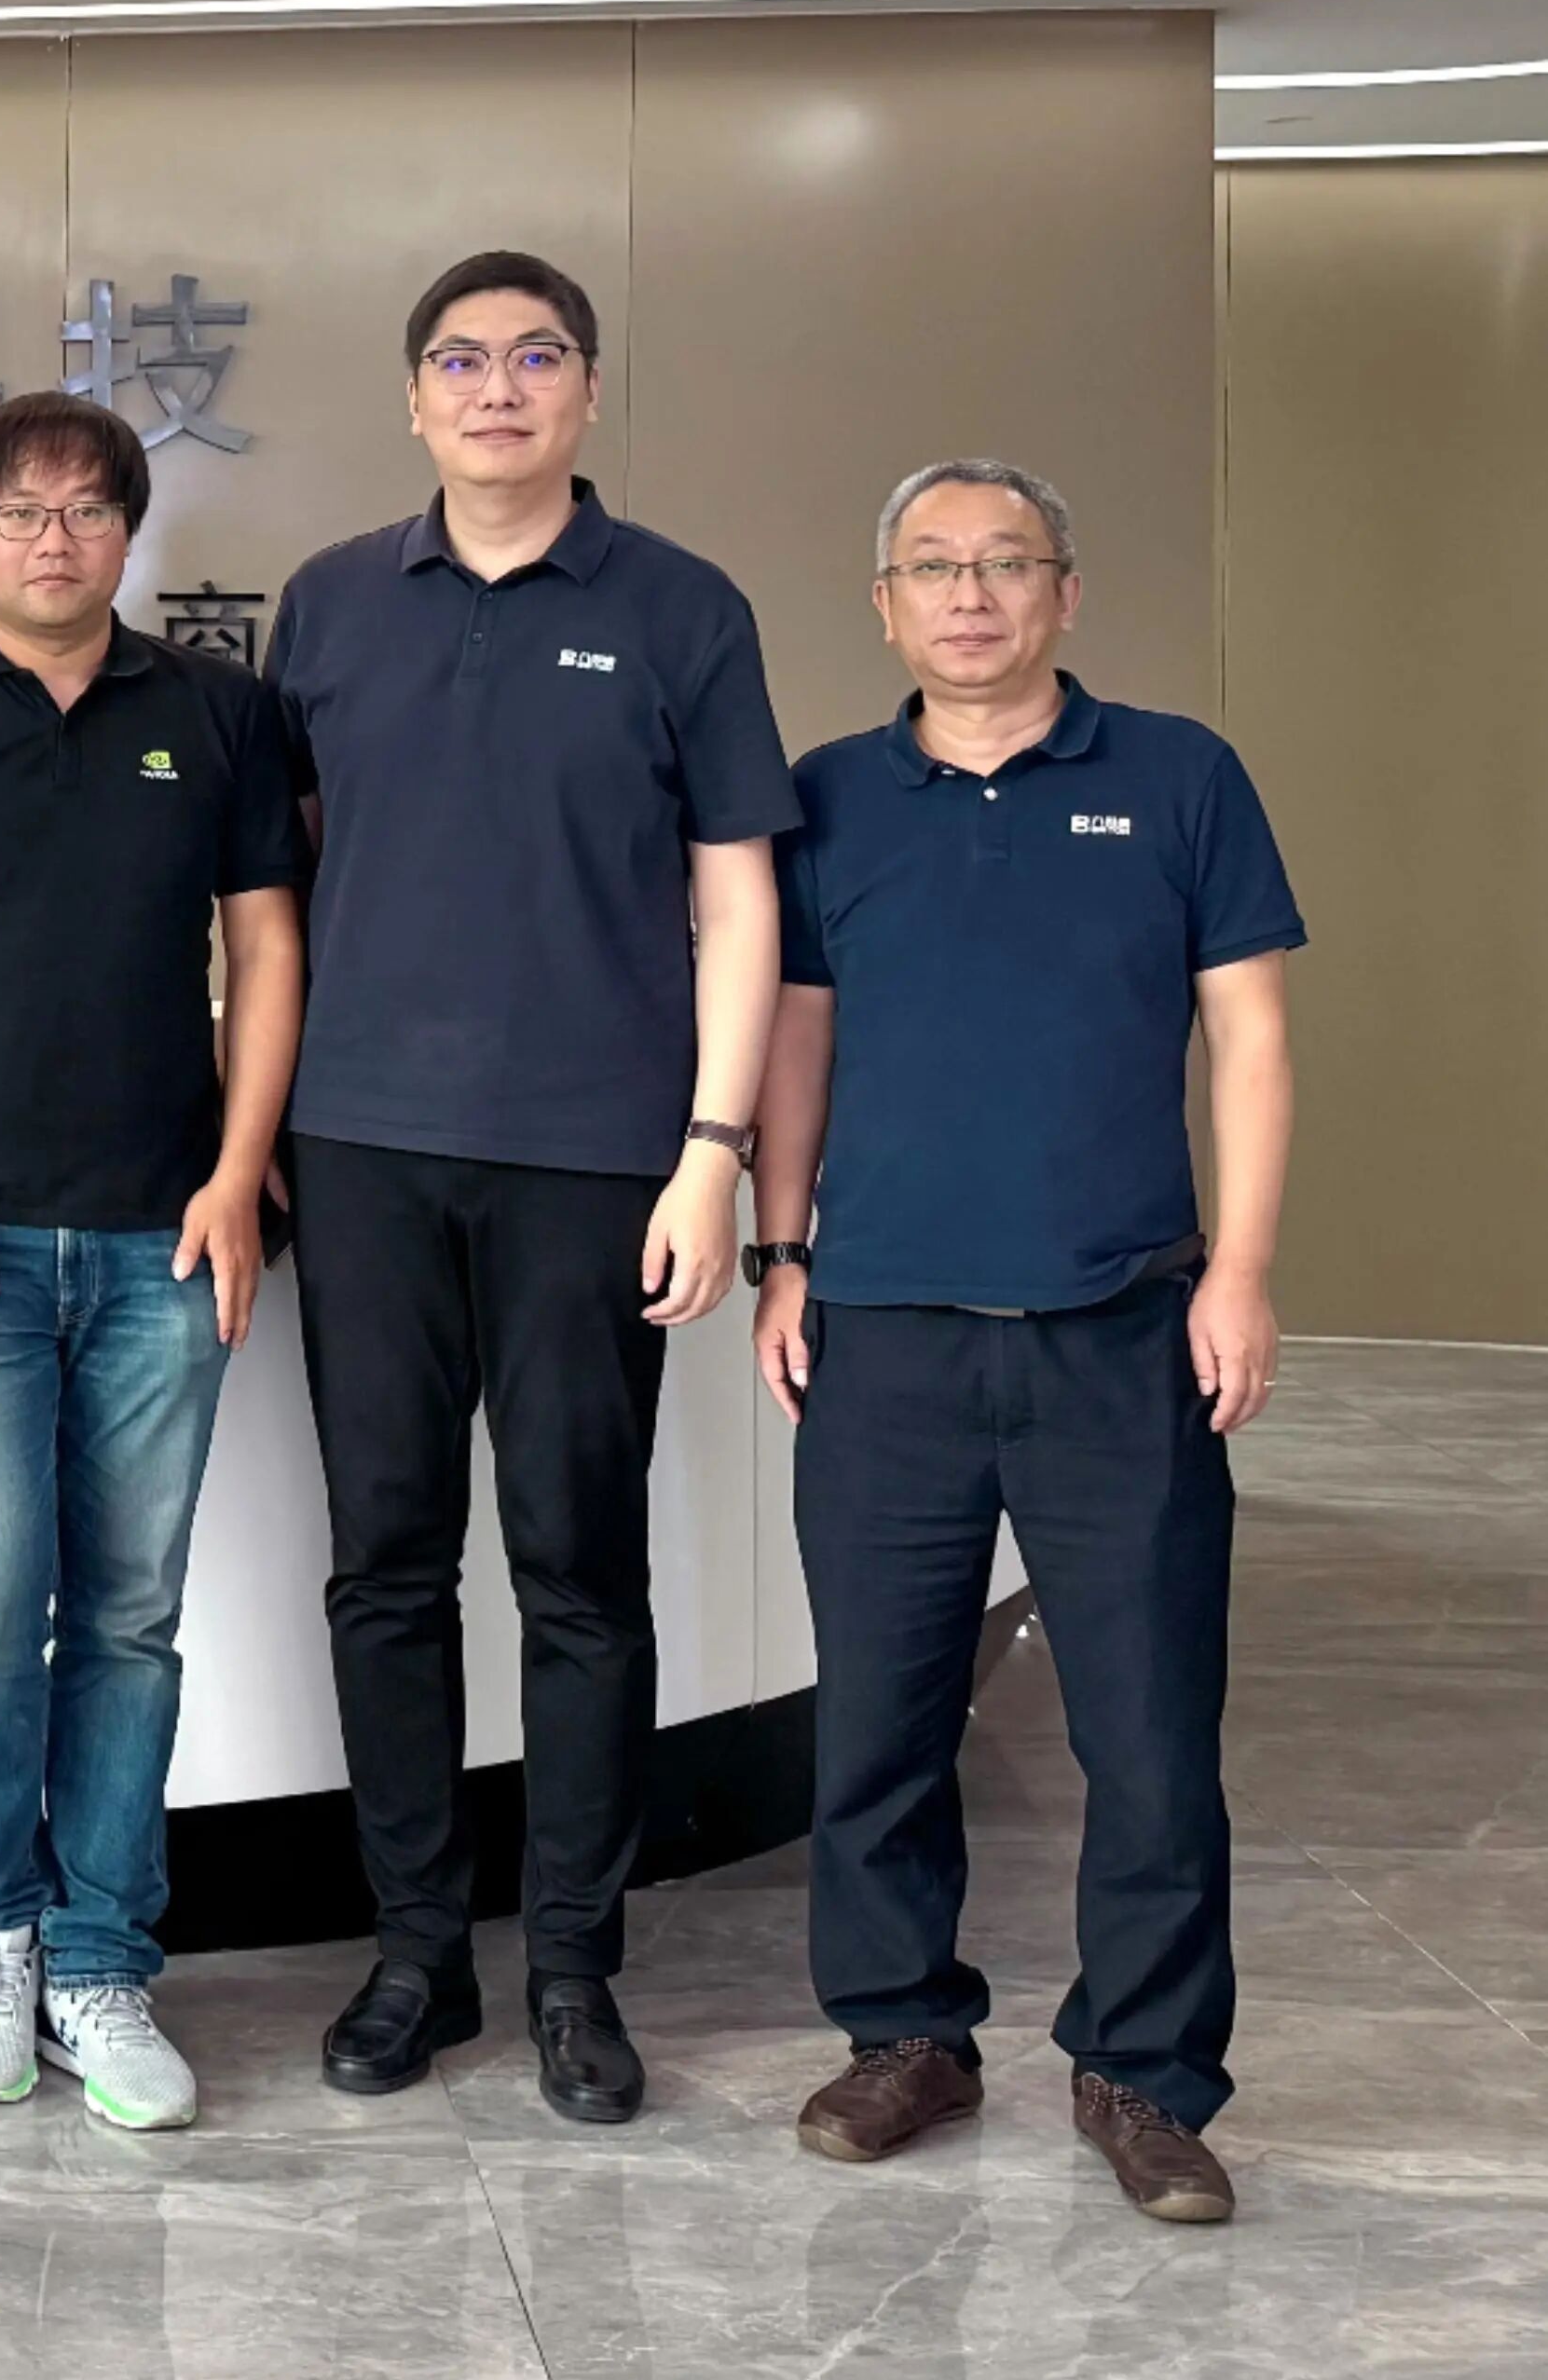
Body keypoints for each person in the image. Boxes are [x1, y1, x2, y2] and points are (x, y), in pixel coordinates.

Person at [266, 251, 794, 2124]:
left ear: (585, 391)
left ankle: (573, 1963)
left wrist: (713, 1152)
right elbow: (278, 889)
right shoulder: (331, 602)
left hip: (594, 1158)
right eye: (461, 360)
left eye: (536, 356)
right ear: (413, 399)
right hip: (360, 1152)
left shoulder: (679, 606)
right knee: (385, 1565)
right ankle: (416, 1949)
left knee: (577, 1568)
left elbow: (738, 896)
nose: (498, 387)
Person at [753, 459, 1299, 2223]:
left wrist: (1242, 1269)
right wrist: (783, 1253)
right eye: (935, 565)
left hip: (1123, 1328)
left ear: (1067, 589)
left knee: (1150, 1733)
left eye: (1006, 562)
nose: (971, 594)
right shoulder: (831, 796)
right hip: (885, 1332)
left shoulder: (1181, 776)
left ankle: (1146, 2070)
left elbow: (1250, 1038)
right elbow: (796, 1042)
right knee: (879, 1721)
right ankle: (903, 2031)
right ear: (884, 602)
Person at [0, 390, 305, 2127]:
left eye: (89, 508)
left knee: (129, 1615)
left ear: (128, 533)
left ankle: (100, 1960)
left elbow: (266, 949)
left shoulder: (217, 709)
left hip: (167, 1237)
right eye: (18, 509)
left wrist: (237, 1176)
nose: (53, 537)